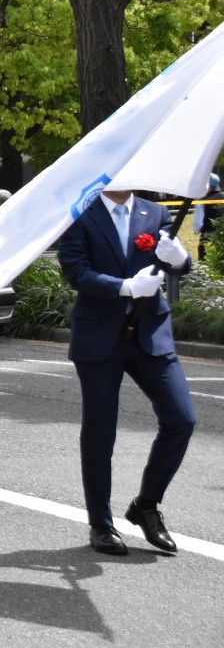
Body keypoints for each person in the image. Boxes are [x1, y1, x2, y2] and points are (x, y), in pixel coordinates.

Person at [58, 188, 195, 555]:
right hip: (100, 337)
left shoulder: (155, 212)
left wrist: (179, 259)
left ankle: (146, 505)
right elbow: (76, 271)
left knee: (181, 419)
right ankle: (101, 524)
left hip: (150, 334)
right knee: (100, 433)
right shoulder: (80, 213)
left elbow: (175, 264)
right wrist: (124, 287)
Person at [192, 173, 224, 261]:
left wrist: (196, 231)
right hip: (222, 238)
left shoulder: (203, 200)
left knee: (204, 262)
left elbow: (198, 223)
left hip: (207, 237)